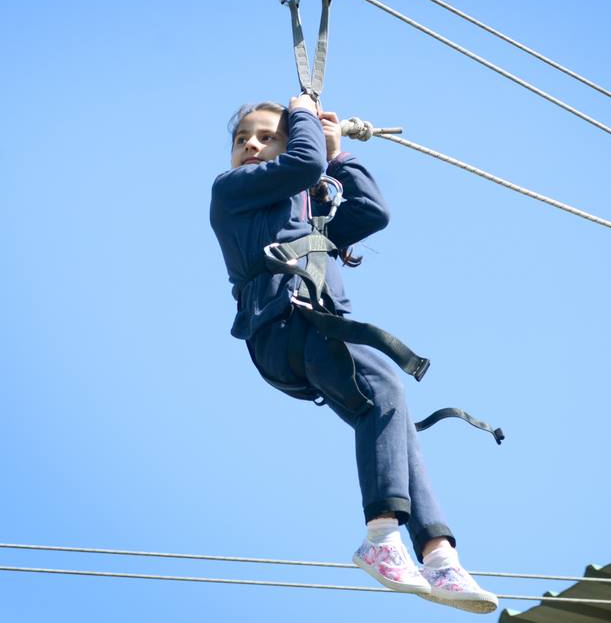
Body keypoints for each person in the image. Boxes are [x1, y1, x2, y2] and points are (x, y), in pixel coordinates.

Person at [209, 94, 498, 613]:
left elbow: (371, 212)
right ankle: (382, 534)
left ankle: (438, 554)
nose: (250, 145)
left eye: (263, 136)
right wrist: (302, 116)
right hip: (284, 326)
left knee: (392, 415)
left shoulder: (302, 207)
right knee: (386, 386)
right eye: (241, 139)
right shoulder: (232, 192)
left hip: (306, 331)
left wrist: (340, 155)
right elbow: (303, 162)